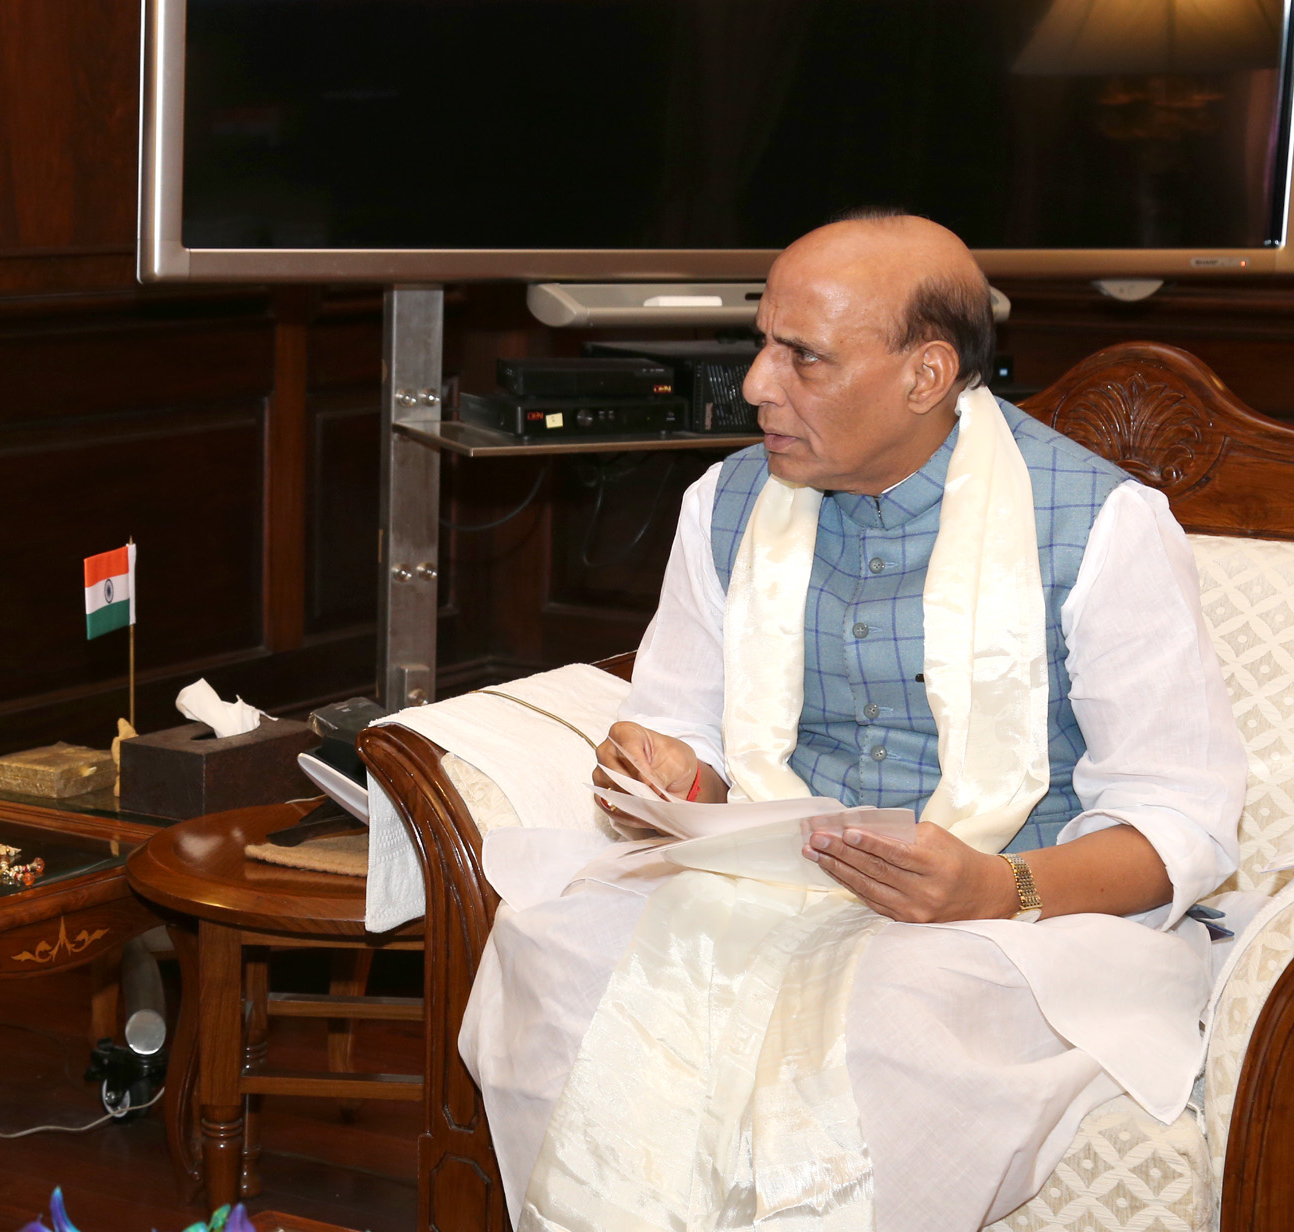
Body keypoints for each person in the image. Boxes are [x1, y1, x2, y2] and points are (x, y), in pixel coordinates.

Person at [456, 210, 1244, 1231]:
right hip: (772, 883)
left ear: (925, 375)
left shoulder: (1103, 525)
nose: (754, 386)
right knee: (552, 943)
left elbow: (1182, 819)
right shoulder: (724, 500)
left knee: (888, 1010)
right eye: (760, 342)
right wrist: (668, 779)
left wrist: (994, 884)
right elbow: (678, 729)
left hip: (1023, 912)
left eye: (804, 358)